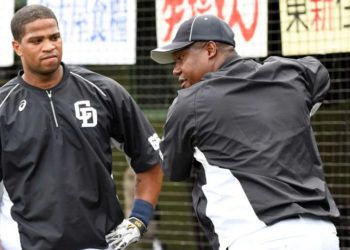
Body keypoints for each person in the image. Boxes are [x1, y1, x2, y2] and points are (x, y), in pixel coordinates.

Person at [151, 14, 340, 250]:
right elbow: (318, 72)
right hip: (322, 235)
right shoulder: (289, 76)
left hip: (258, 237)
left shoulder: (189, 103)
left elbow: (174, 170)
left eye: (181, 58)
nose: (176, 70)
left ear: (210, 49)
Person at [0, 4, 163, 250]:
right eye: (36, 40)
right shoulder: (3, 106)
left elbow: (150, 160)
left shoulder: (104, 92)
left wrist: (138, 219)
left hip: (100, 242)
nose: (49, 46)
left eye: (54, 37)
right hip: (23, 243)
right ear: (17, 47)